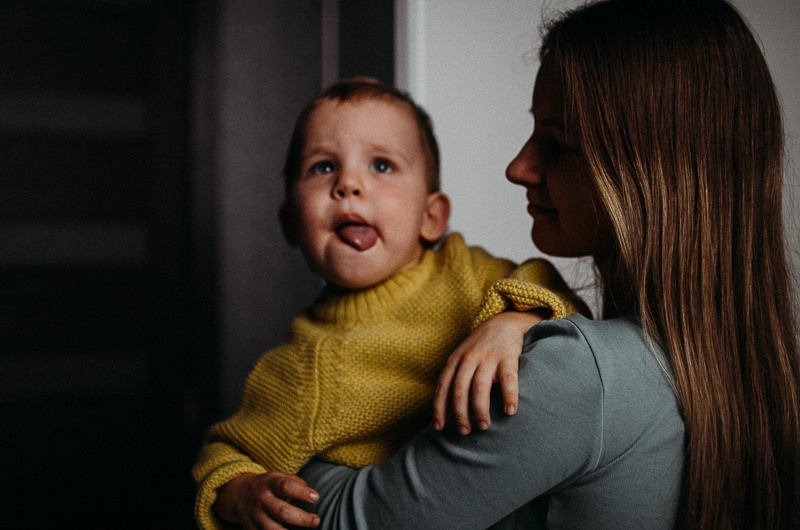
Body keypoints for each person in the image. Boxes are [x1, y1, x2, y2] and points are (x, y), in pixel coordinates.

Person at [289, 1, 800, 528]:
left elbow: (351, 521)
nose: (518, 168)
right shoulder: (738, 374)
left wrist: (289, 446)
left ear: (647, 174)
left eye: (556, 145)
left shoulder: (577, 376)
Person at [192, 78, 589, 529]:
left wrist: (512, 322)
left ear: (431, 216)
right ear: (290, 223)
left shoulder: (467, 271)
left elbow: (557, 294)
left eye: (381, 165)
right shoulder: (306, 362)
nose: (349, 185)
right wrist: (237, 491)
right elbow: (228, 450)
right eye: (323, 168)